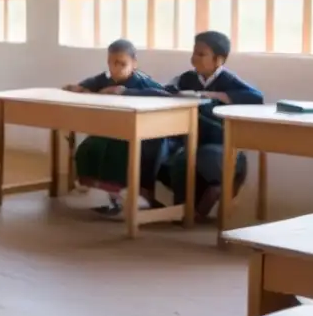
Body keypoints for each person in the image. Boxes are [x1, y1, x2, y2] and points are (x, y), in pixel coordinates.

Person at [127, 30, 263, 219]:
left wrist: (215, 95)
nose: (194, 58)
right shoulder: (186, 79)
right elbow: (165, 92)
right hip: (186, 140)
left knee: (189, 158)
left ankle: (192, 210)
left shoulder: (228, 81)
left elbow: (256, 97)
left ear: (219, 60)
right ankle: (152, 199)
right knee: (150, 145)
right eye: (194, 53)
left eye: (201, 54)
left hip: (219, 144)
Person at [66, 38, 167, 217]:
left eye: (122, 63)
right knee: (88, 148)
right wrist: (78, 88)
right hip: (111, 131)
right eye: (112, 63)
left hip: (140, 134)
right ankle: (94, 191)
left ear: (134, 64)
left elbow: (166, 94)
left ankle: (117, 196)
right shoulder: (105, 78)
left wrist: (125, 92)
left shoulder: (142, 81)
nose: (116, 68)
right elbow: (88, 84)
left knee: (116, 150)